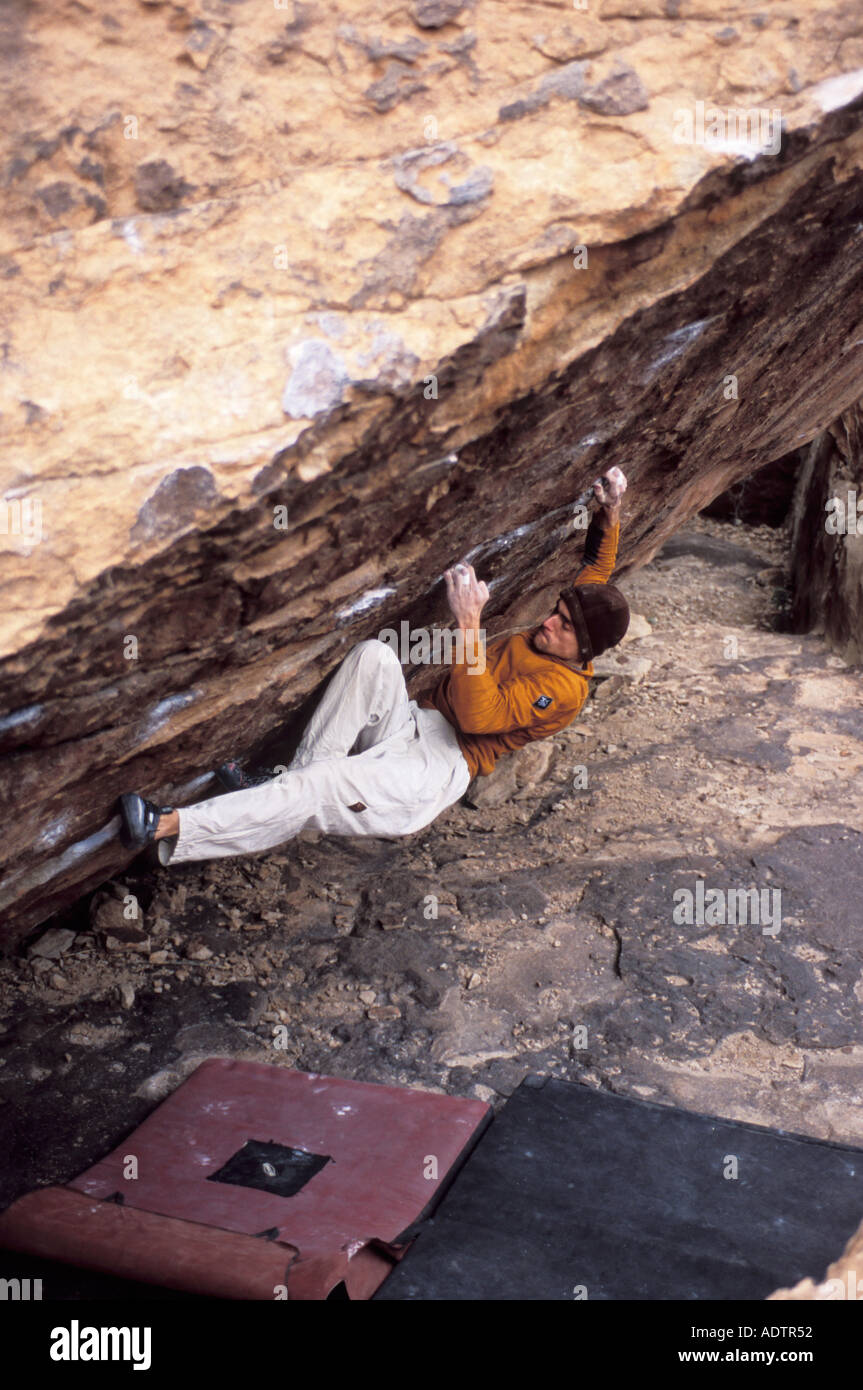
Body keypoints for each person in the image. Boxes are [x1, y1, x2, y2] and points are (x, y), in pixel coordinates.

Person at [117, 469, 629, 865]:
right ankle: (283, 794)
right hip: (415, 725)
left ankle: (165, 825)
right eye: (556, 613)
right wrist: (611, 513)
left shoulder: (562, 692)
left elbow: (478, 716)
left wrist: (469, 622)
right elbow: (598, 573)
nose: (548, 623)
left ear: (585, 650)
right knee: (374, 657)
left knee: (316, 788)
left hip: (434, 770)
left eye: (562, 627)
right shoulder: (572, 628)